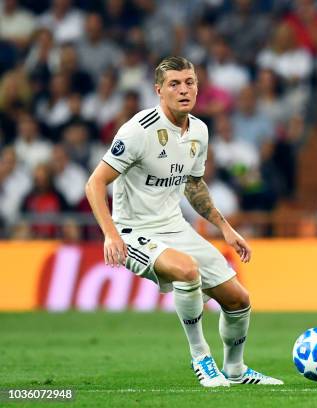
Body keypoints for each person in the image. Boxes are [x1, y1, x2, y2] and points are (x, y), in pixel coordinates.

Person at [85, 56, 282, 388]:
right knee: (187, 270)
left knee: (239, 300)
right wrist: (111, 234)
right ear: (159, 90)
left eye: (190, 82)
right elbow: (94, 183)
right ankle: (200, 356)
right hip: (133, 231)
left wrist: (225, 227)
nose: (184, 89)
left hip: (175, 227)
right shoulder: (138, 131)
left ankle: (235, 369)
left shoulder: (200, 131)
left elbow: (193, 184)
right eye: (174, 84)